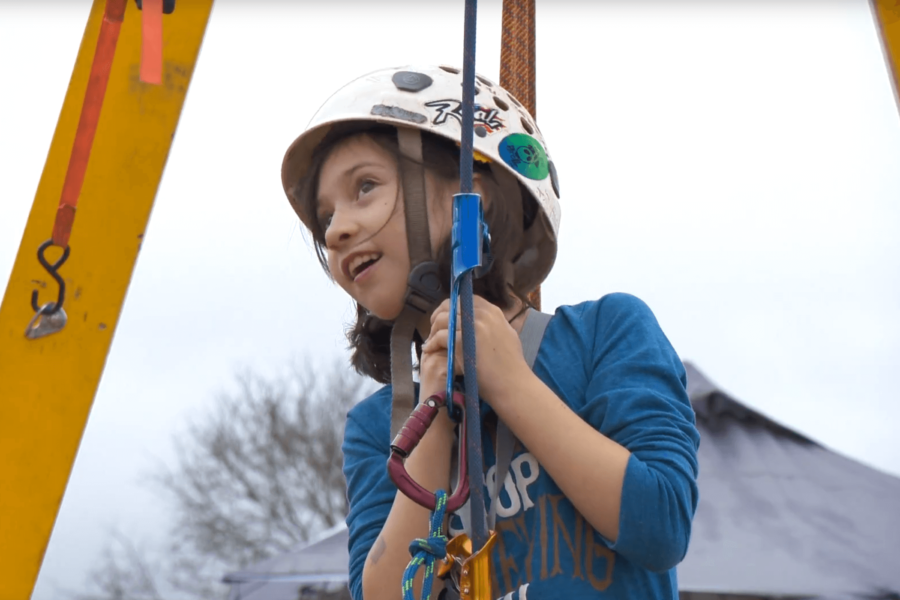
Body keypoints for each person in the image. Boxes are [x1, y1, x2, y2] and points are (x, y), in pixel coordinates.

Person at [281, 65, 700, 600]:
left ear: (471, 197)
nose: (336, 229)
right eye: (325, 218)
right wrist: (430, 417)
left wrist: (511, 384)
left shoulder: (605, 333)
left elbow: (661, 525)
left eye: (365, 187)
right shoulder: (376, 428)